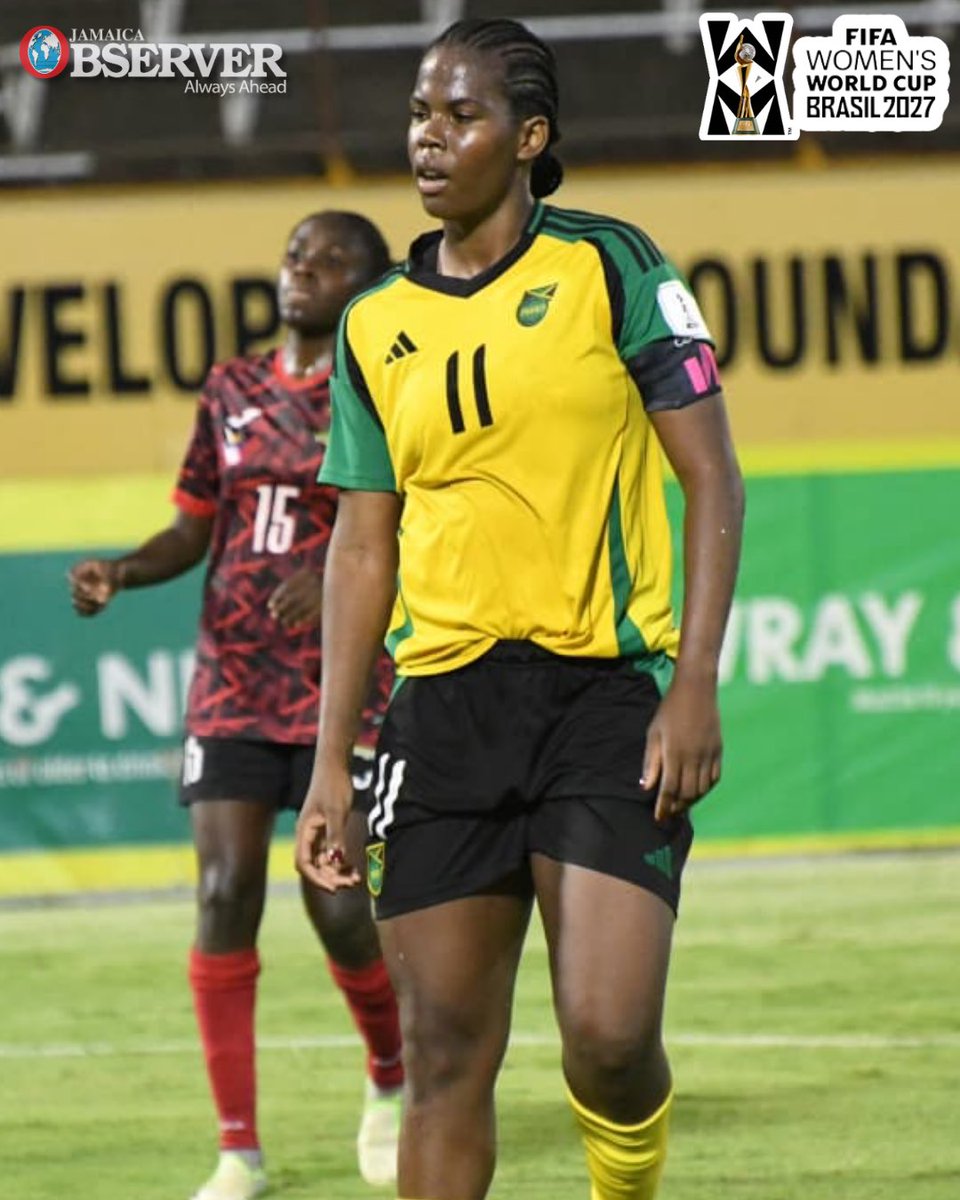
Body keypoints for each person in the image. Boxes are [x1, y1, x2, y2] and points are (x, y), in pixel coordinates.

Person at [295, 16, 745, 1200]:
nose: (429, 140)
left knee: (605, 1036)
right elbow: (359, 548)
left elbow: (712, 475)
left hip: (600, 701)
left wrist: (692, 680)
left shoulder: (613, 263)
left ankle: (626, 1181)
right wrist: (332, 763)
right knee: (446, 1060)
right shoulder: (373, 322)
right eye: (418, 116)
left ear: (530, 136)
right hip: (440, 713)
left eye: (462, 116)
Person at [69, 212, 404, 1200]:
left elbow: (414, 525)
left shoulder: (380, 388)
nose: (305, 269)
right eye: (299, 252)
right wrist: (124, 571)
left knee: (339, 906)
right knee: (223, 894)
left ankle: (390, 1078)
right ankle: (238, 1150)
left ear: (370, 286)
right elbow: (195, 525)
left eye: (332, 258)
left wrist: (334, 581)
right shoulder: (232, 386)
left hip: (343, 684)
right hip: (233, 681)